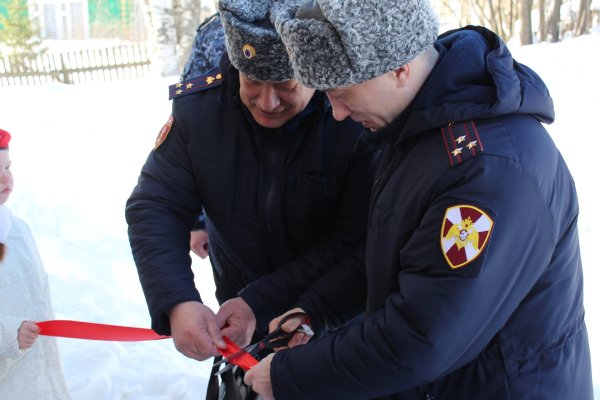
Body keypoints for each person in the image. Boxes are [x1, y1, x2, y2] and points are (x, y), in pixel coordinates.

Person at [243, 1, 594, 399]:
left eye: (341, 93)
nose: (337, 113)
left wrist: (292, 376)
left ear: (398, 68)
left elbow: (423, 338)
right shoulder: (420, 128)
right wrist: (317, 311)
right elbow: (398, 252)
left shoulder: (488, 172)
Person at [125, 0, 379, 367]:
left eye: (284, 85)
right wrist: (178, 300)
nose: (267, 102)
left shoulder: (353, 119)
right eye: (252, 81)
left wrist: (259, 303)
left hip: (336, 323)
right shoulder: (199, 113)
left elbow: (357, 238)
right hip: (239, 323)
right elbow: (154, 205)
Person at [0, 128, 71, 399]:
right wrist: (8, 333)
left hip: (36, 368)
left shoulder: (17, 229)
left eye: (7, 166)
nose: (6, 177)